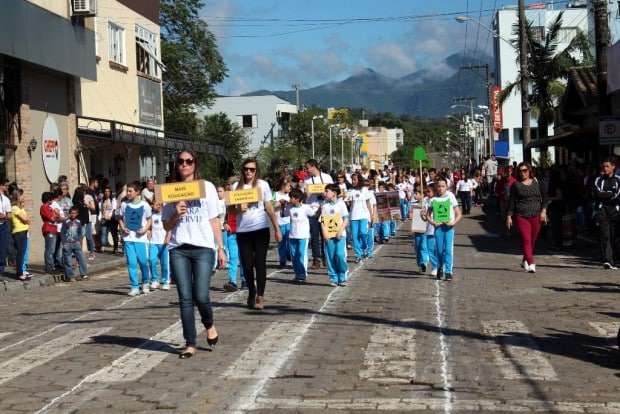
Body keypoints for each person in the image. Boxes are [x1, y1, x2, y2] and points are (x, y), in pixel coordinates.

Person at [163, 150, 226, 359]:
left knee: (201, 295)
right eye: (180, 161)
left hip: (203, 248)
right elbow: (166, 225)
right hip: (179, 248)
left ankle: (209, 325)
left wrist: (220, 247)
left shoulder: (206, 187)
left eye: (188, 161)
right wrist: (175, 214)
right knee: (185, 298)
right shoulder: (170, 190)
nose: (184, 165)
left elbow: (214, 219)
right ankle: (190, 343)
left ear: (194, 164)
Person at [234, 158, 282, 310]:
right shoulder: (236, 186)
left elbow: (268, 207)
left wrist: (277, 228)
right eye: (246, 169)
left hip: (260, 229)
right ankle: (251, 291)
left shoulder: (263, 185)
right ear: (243, 170)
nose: (249, 171)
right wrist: (237, 209)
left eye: (252, 169)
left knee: (260, 263)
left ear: (256, 171)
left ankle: (260, 295)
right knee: (247, 265)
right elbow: (230, 210)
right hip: (243, 231)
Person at [506, 162, 548, 273]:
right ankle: (531, 262)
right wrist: (509, 216)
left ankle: (525, 259)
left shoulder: (538, 183)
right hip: (521, 216)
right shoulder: (516, 185)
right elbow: (511, 202)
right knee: (526, 239)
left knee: (532, 240)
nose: (522, 173)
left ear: (529, 171)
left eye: (525, 170)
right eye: (520, 171)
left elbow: (545, 199)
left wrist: (543, 211)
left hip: (536, 215)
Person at [119, 182, 152, 296]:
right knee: (131, 263)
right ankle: (134, 286)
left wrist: (145, 229)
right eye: (127, 191)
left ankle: (146, 282)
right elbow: (120, 218)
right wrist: (123, 228)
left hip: (141, 239)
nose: (128, 193)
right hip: (129, 238)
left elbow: (149, 219)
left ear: (137, 192)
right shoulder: (124, 205)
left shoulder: (145, 205)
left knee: (143, 262)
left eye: (130, 191)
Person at [426, 177, 462, 281]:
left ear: (447, 187)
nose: (441, 188)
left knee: (448, 250)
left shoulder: (450, 196)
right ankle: (440, 267)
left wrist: (453, 222)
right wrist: (433, 223)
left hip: (449, 228)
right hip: (438, 229)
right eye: (439, 186)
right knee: (440, 250)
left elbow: (458, 214)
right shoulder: (433, 199)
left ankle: (448, 272)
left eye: (443, 186)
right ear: (436, 187)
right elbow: (428, 215)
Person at [304, 159, 334, 269]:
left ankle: (327, 258)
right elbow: (305, 198)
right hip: (312, 210)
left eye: (307, 168)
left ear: (313, 166)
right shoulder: (307, 180)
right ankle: (316, 259)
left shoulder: (327, 177)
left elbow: (333, 193)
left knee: (326, 235)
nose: (306, 170)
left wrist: (324, 194)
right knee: (314, 236)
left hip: (325, 209)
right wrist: (307, 193)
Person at [592, 158, 620, 269]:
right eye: (603, 166)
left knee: (616, 236)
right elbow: (597, 193)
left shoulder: (618, 180)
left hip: (615, 211)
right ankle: (608, 260)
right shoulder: (598, 180)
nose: (605, 168)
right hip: (602, 210)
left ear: (613, 167)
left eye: (607, 166)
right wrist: (609, 194)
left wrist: (607, 195)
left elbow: (617, 195)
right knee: (605, 235)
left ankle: (615, 258)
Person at [285, 188, 317, 282]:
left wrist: (317, 208)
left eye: (291, 197)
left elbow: (313, 214)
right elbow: (284, 214)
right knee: (294, 256)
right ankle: (297, 274)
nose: (290, 199)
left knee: (301, 255)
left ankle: (303, 274)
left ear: (298, 198)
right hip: (292, 235)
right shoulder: (289, 207)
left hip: (303, 236)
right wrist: (283, 206)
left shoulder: (306, 207)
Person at [321, 184, 349, 286]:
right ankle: (333, 278)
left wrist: (340, 231)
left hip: (340, 235)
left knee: (340, 254)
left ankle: (343, 275)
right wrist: (324, 233)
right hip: (329, 235)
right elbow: (323, 221)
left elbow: (346, 219)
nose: (325, 193)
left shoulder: (341, 204)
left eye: (327, 191)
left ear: (334, 193)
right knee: (330, 257)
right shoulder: (324, 205)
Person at [222, 177, 244, 292]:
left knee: (244, 257)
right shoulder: (227, 201)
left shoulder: (246, 199)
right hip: (231, 232)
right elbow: (224, 215)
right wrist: (225, 223)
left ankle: (245, 279)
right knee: (233, 258)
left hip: (243, 232)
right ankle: (232, 281)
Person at [347, 173, 372, 263]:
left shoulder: (365, 190)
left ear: (359, 180)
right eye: (352, 180)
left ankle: (364, 247)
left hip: (364, 215)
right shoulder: (350, 191)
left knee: (363, 233)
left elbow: (368, 203)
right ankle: (358, 254)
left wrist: (371, 216)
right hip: (353, 216)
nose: (353, 181)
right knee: (354, 236)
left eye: (355, 179)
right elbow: (348, 203)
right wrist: (348, 201)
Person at [60, 206, 88, 282]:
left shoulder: (78, 222)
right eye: (71, 213)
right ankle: (70, 275)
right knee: (68, 260)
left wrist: (79, 240)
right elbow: (62, 233)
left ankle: (84, 274)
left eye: (74, 213)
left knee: (81, 258)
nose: (73, 215)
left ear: (77, 214)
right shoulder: (66, 222)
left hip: (76, 243)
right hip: (67, 243)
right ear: (69, 213)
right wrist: (64, 242)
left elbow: (80, 232)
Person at [148, 201, 170, 290]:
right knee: (152, 260)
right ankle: (154, 280)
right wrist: (148, 233)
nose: (156, 206)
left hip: (164, 243)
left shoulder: (166, 215)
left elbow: (170, 228)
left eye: (158, 204)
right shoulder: (151, 216)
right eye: (154, 204)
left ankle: (166, 281)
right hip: (154, 243)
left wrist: (168, 238)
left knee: (165, 264)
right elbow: (149, 227)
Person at [10, 191, 30, 281]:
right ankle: (19, 273)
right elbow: (26, 219)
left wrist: (26, 219)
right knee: (20, 254)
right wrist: (26, 220)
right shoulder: (14, 208)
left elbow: (28, 220)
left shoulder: (20, 208)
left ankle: (22, 271)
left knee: (23, 253)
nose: (23, 198)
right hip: (19, 232)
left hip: (24, 231)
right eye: (21, 196)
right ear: (17, 197)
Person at [274, 177, 291, 268]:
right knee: (281, 242)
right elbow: (271, 206)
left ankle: (289, 255)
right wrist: (279, 203)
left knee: (289, 242)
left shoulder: (290, 195)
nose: (290, 188)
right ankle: (282, 261)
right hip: (279, 222)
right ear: (283, 186)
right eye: (288, 186)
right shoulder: (275, 194)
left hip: (289, 222)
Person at [40, 192, 59, 274]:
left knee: (52, 249)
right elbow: (52, 218)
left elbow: (57, 217)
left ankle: (52, 266)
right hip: (48, 229)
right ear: (48, 199)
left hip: (53, 228)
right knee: (49, 250)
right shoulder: (44, 207)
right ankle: (49, 268)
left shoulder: (49, 207)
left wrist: (56, 214)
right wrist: (55, 214)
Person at [99, 187, 117, 253]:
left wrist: (110, 216)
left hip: (111, 219)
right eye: (105, 191)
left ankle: (115, 247)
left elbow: (114, 209)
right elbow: (101, 210)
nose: (106, 193)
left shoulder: (113, 200)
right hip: (104, 219)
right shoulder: (102, 200)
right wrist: (100, 217)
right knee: (103, 233)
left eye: (108, 191)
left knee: (113, 233)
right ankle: (103, 246)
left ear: (110, 192)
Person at [0, 180, 11, 274]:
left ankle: (1, 270)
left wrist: (4, 216)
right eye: (6, 185)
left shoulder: (6, 199)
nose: (7, 187)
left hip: (4, 225)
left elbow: (9, 215)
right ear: (1, 185)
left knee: (3, 248)